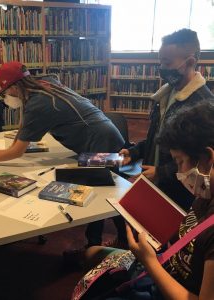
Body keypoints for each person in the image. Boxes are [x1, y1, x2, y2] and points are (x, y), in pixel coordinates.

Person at [74, 101, 214, 299]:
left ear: (208, 158)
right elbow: (192, 235)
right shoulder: (206, 194)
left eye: (180, 162)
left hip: (162, 276)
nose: (179, 172)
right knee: (92, 254)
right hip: (164, 264)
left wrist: (149, 261)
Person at [115, 28, 214, 246]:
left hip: (178, 190)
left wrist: (162, 172)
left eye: (167, 63)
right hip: (154, 182)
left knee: (168, 238)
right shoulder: (166, 94)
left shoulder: (204, 105)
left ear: (189, 62)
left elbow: (198, 160)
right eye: (160, 62)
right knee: (140, 230)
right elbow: (158, 137)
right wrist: (135, 151)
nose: (162, 68)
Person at [0, 61, 125, 164]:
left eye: (5, 92)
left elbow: (17, 152)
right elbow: (24, 127)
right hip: (105, 138)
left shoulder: (38, 104)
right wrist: (3, 151)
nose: (6, 96)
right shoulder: (43, 84)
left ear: (14, 88)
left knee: (95, 192)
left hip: (103, 148)